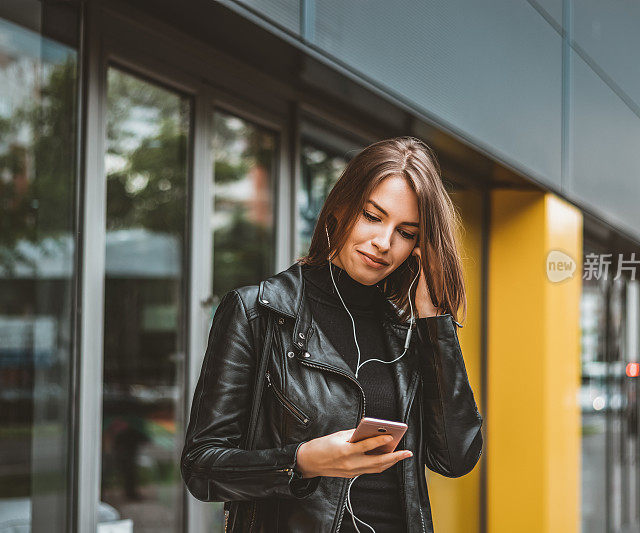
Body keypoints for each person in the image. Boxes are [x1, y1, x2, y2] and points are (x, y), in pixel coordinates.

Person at [181, 136, 483, 532]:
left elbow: (456, 458)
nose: (384, 242)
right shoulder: (259, 313)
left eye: (406, 233)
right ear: (341, 207)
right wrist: (303, 460)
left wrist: (435, 321)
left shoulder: (405, 333)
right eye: (373, 217)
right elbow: (202, 467)